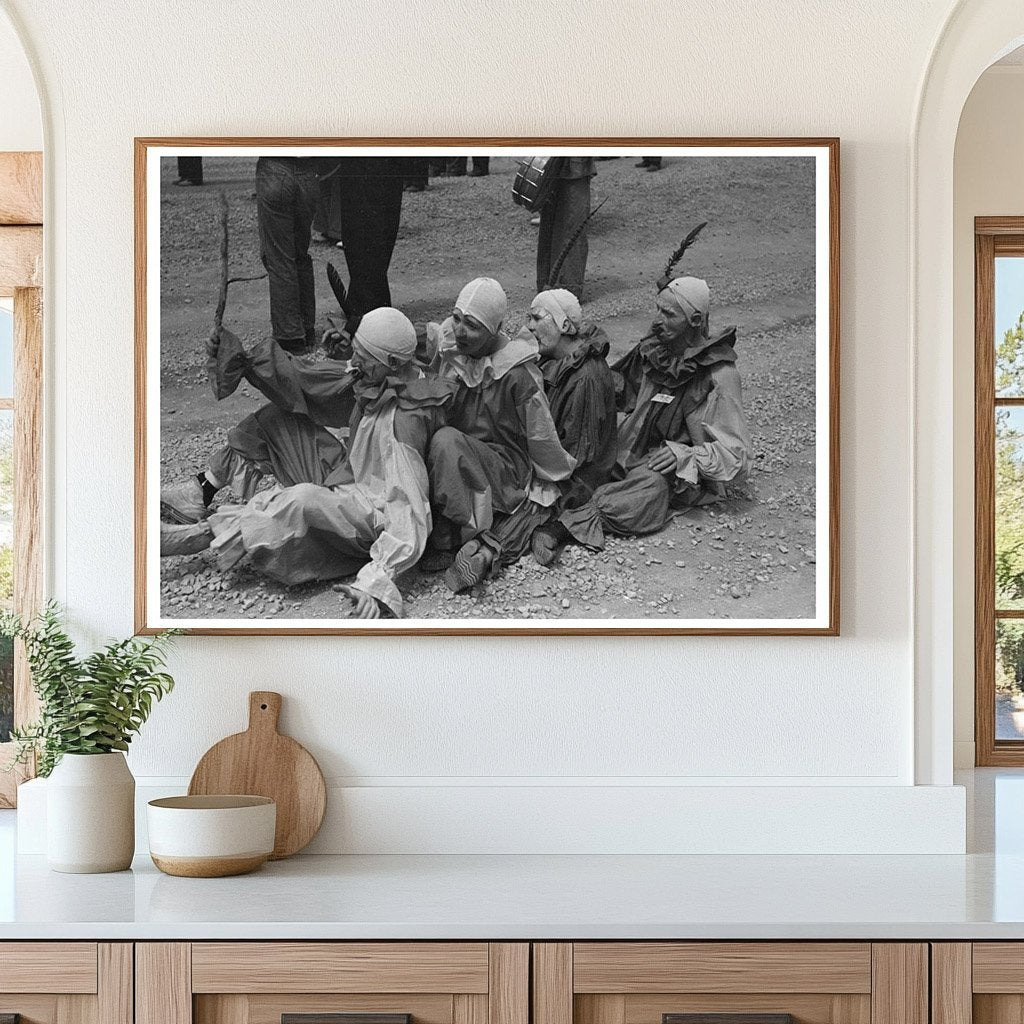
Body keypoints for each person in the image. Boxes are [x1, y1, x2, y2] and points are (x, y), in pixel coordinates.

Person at [161, 309, 456, 619]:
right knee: (278, 420)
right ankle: (202, 489)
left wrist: (377, 579)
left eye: (361, 357)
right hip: (351, 476)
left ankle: (196, 537)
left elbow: (407, 510)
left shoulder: (404, 421)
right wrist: (242, 359)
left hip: (370, 515)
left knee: (300, 500)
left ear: (392, 363)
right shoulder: (386, 370)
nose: (352, 364)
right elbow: (308, 381)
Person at [552, 276, 752, 553]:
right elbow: (617, 390)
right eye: (658, 309)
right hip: (624, 452)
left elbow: (737, 457)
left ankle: (566, 526)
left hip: (663, 470)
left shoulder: (720, 375)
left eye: (669, 314)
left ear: (695, 320)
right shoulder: (654, 350)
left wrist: (685, 454)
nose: (657, 321)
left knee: (652, 488)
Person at [422, 278, 576, 592]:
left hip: (503, 466)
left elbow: (541, 435)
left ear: (495, 328)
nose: (461, 330)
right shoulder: (453, 345)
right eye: (457, 318)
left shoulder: (518, 374)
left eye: (473, 325)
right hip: (458, 453)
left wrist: (550, 482)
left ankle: (452, 535)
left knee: (444, 441)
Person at [160, 326, 358, 526]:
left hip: (356, 500)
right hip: (359, 483)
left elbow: (304, 383)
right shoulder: (381, 375)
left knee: (275, 422)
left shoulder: (381, 384)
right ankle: (204, 489)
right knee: (277, 418)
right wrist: (351, 354)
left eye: (365, 355)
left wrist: (242, 359)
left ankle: (216, 518)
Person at [522, 289, 617, 563]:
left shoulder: (584, 376)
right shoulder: (558, 362)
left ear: (564, 326)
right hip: (554, 466)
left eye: (537, 318)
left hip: (576, 481)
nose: (529, 326)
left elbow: (576, 459)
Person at [255, 156, 321, 353]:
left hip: (275, 167)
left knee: (280, 258)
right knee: (300, 253)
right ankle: (307, 327)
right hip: (309, 172)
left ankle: (290, 337)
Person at [536, 157, 595, 299]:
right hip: (550, 162)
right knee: (550, 223)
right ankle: (547, 281)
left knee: (572, 224)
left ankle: (568, 288)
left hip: (576, 162)